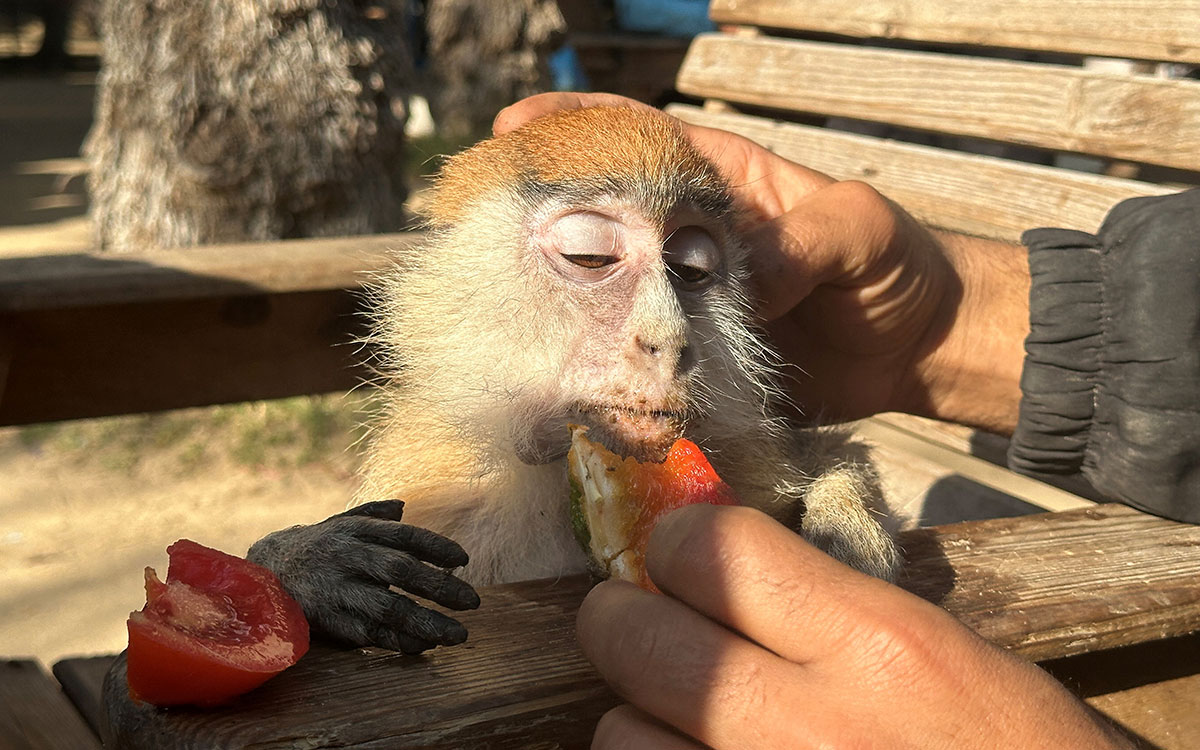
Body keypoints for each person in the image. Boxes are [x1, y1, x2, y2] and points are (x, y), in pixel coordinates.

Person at [493, 92, 1200, 749]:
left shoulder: (749, 458)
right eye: (588, 254)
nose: (667, 331)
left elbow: (797, 473)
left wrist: (834, 480)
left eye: (695, 267)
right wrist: (947, 324)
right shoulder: (435, 482)